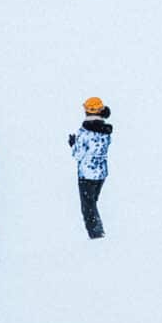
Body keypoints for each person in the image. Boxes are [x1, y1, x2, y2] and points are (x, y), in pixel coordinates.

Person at [67, 96, 114, 237]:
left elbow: (78, 155)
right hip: (101, 173)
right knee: (93, 202)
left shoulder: (85, 132)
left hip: (86, 174)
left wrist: (73, 144)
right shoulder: (106, 131)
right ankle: (98, 232)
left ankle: (96, 236)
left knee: (88, 208)